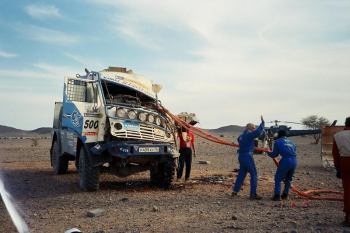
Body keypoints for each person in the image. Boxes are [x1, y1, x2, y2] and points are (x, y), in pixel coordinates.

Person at [232, 116, 265, 200]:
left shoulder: (241, 136)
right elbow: (258, 132)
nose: (254, 129)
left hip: (241, 156)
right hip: (247, 156)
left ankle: (235, 191)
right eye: (253, 128)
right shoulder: (249, 134)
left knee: (242, 174)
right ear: (251, 128)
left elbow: (239, 139)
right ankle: (253, 194)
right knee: (254, 174)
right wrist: (262, 123)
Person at [267, 130, 297, 201]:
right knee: (288, 178)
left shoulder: (277, 142)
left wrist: (268, 152)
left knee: (278, 178)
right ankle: (285, 195)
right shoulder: (292, 142)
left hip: (286, 160)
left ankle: (277, 196)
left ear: (279, 135)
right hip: (294, 161)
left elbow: (274, 154)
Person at [332, 116, 350, 226]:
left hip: (345, 163)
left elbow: (335, 154)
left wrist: (338, 168)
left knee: (347, 190)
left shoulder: (338, 136)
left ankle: (348, 217)